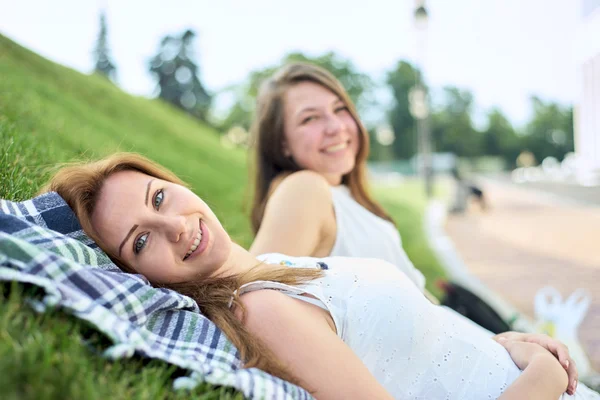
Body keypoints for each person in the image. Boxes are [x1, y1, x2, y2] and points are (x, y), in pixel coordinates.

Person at [42, 152, 599, 399]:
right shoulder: (261, 309)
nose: (173, 227)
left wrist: (505, 345)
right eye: (140, 241)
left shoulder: (277, 268)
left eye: (158, 196)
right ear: (141, 275)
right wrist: (542, 379)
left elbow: (417, 350)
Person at [248, 62, 426, 291]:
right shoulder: (304, 189)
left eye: (340, 109)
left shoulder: (344, 194)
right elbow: (255, 294)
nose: (336, 127)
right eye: (310, 118)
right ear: (282, 144)